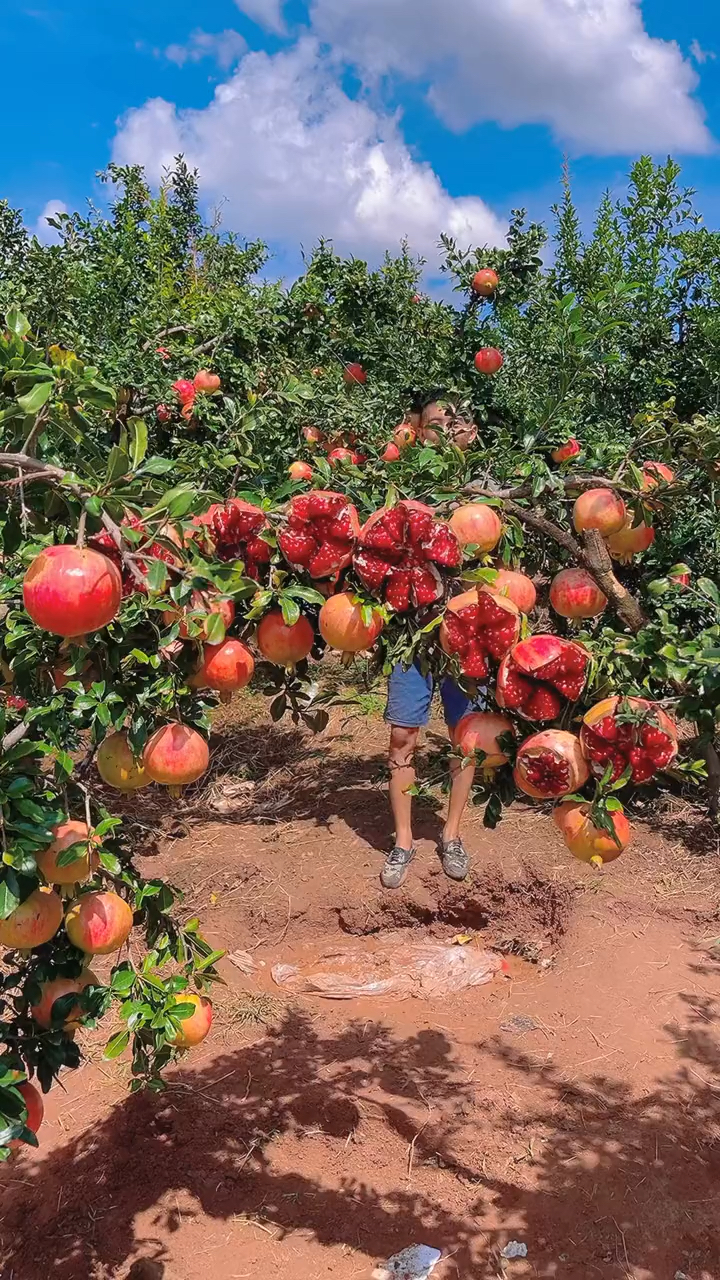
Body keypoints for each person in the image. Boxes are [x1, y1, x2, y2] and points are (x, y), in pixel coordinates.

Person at [381, 391, 483, 890]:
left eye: (455, 421)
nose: (447, 428)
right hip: (412, 630)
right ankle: (402, 842)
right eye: (437, 422)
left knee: (467, 737)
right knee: (403, 736)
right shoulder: (404, 484)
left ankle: (452, 832)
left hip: (469, 632)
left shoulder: (485, 489)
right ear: (417, 431)